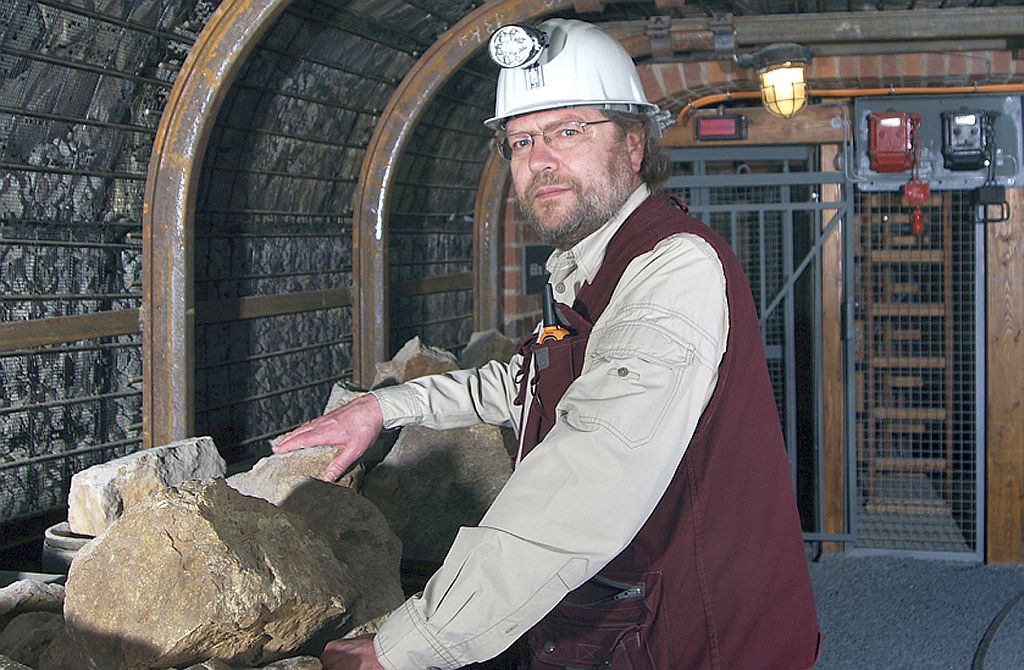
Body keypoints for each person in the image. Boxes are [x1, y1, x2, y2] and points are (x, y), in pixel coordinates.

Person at [275, 18, 820, 670]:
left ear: (634, 144)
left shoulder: (673, 269)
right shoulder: (581, 267)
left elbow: (589, 475)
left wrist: (408, 645)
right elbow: (528, 378)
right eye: (521, 140)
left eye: (569, 131)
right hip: (618, 621)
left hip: (691, 634)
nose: (539, 160)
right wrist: (385, 408)